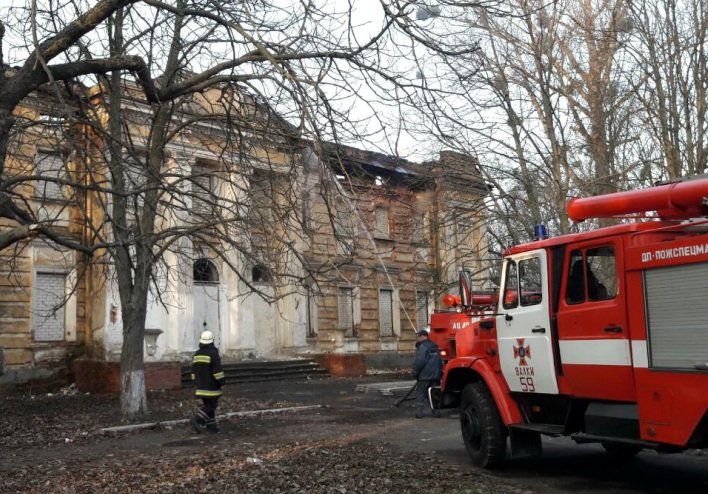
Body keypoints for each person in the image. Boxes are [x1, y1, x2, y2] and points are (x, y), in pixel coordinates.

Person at [190, 329, 225, 433]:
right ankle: (197, 418)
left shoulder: (197, 353)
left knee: (208, 405)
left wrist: (195, 382)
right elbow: (217, 371)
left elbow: (193, 371)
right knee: (212, 405)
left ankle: (212, 427)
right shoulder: (213, 353)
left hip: (200, 386)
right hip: (211, 386)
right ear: (212, 341)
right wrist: (222, 382)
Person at [412, 329, 443, 418]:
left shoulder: (422, 347)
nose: (417, 339)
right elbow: (440, 361)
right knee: (434, 394)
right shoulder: (435, 346)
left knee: (421, 394)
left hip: (424, 376)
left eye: (418, 337)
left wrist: (415, 372)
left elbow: (419, 362)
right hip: (435, 376)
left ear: (422, 336)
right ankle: (436, 412)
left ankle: (419, 413)